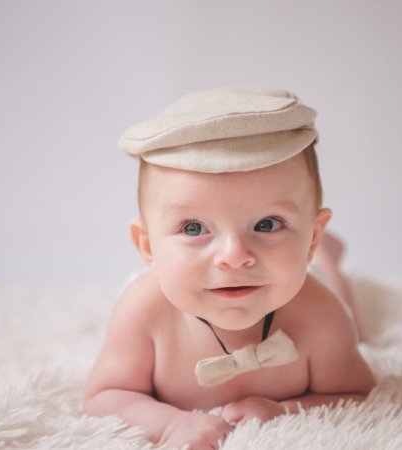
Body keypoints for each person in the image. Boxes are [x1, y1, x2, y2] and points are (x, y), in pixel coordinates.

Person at [84, 86, 375, 450]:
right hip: (180, 287)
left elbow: (355, 394)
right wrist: (173, 422)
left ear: (312, 236)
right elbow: (106, 395)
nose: (234, 256)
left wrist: (282, 411)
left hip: (291, 283)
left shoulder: (321, 317)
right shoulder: (143, 312)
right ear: (148, 247)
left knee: (350, 313)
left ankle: (329, 262)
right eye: (193, 229)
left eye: (267, 224)